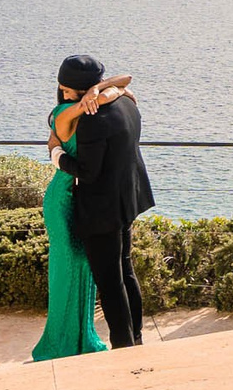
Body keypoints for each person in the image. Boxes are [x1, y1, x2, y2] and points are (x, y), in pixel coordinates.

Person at [50, 53, 155, 349]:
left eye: (65, 88)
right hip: (128, 199)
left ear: (80, 90)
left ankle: (123, 347)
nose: (61, 93)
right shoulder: (127, 102)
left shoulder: (91, 120)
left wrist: (56, 154)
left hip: (101, 210)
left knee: (110, 283)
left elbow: (87, 171)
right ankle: (135, 336)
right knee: (126, 270)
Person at [31, 70, 121, 362]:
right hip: (62, 200)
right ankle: (58, 341)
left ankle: (83, 337)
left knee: (84, 266)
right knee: (66, 267)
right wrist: (106, 92)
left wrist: (103, 89)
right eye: (62, 89)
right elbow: (118, 88)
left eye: (69, 89)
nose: (65, 94)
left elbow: (127, 79)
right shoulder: (63, 112)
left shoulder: (88, 105)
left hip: (80, 198)